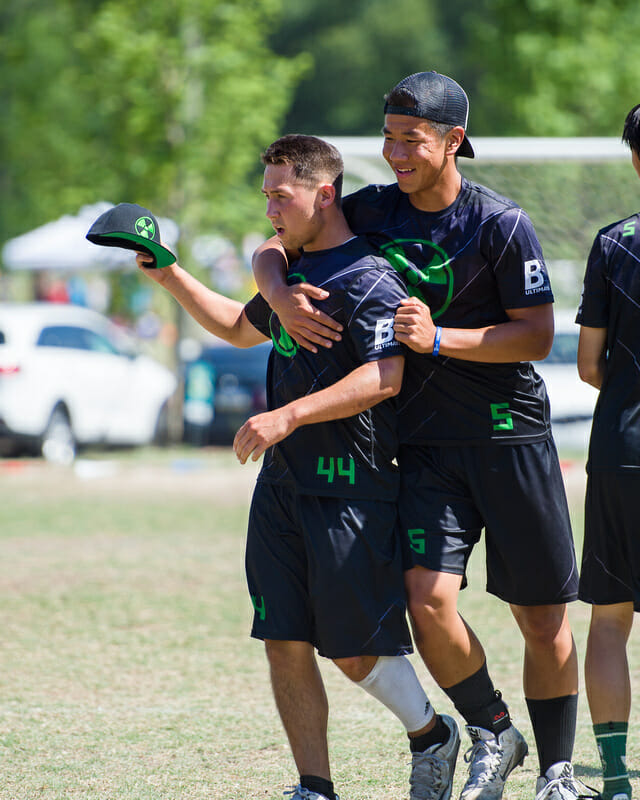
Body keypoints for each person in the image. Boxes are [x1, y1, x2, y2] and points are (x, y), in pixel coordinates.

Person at [252, 73, 589, 800]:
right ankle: (492, 730)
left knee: (539, 616)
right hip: (426, 446)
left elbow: (534, 337)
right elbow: (281, 241)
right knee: (425, 596)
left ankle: (559, 771)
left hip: (509, 438)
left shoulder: (499, 223)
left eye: (412, 138)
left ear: (453, 141)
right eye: (389, 136)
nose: (395, 152)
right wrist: (277, 292)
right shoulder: (372, 210)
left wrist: (441, 340)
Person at [137, 134, 460, 800]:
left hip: (353, 487)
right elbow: (233, 325)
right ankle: (315, 786)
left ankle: (432, 734)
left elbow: (383, 378)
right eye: (267, 197)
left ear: (324, 193)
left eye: (280, 196)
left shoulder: (368, 276)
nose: (270, 211)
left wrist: (287, 415)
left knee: (351, 652)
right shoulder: (289, 273)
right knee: (282, 638)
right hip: (281, 487)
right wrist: (166, 272)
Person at [576, 102, 640, 800]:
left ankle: (616, 781)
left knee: (610, 619)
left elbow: (589, 365)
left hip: (623, 448)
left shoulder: (615, 242)